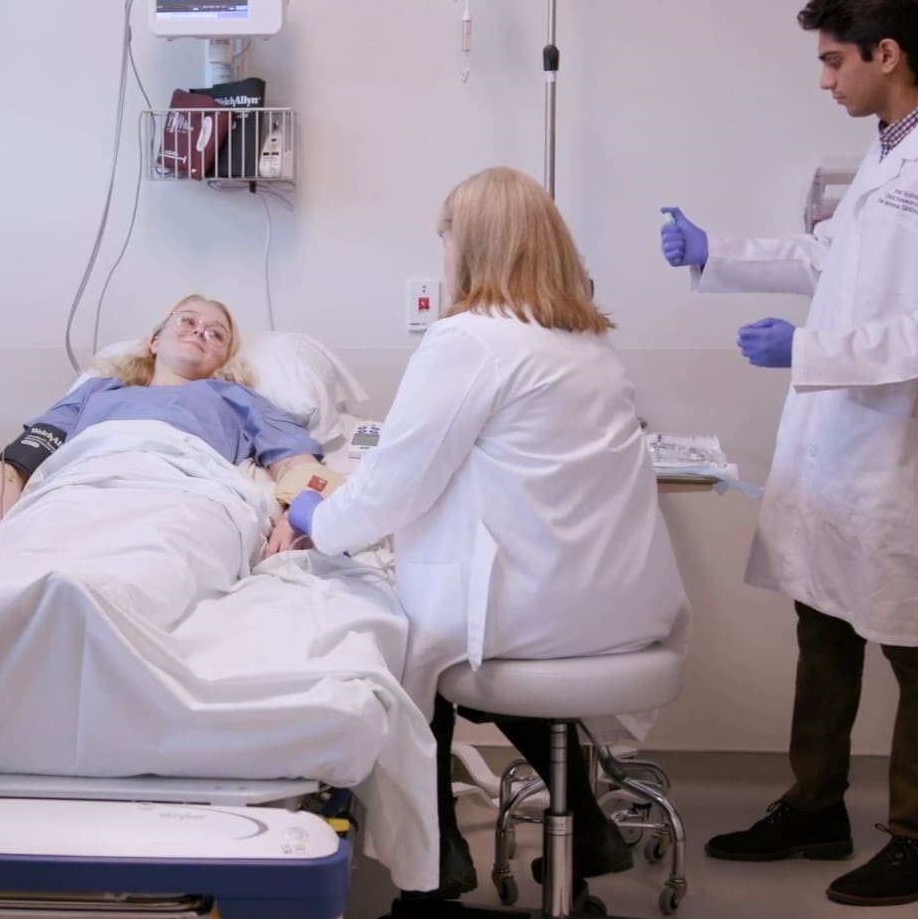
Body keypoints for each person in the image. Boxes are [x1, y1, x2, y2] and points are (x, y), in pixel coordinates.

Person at [658, 0, 918, 908]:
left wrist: (807, 349)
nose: (824, 80)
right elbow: (831, 259)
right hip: (845, 440)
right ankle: (814, 807)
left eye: (832, 61)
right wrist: (719, 253)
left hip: (906, 450)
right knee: (822, 620)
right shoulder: (892, 153)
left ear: (885, 54)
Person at [287, 167, 689, 903]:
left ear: (471, 247)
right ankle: (586, 824)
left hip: (532, 614)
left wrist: (317, 521)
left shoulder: (468, 341)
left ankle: (433, 877)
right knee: (446, 637)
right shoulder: (588, 343)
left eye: (446, 240)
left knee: (404, 642)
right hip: (621, 608)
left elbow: (397, 481)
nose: (443, 256)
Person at [0, 294, 323, 551]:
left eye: (216, 334)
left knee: (147, 566)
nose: (200, 331)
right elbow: (10, 468)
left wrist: (295, 516)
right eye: (186, 320)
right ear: (155, 340)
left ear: (223, 360)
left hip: (185, 496)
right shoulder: (96, 391)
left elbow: (298, 462)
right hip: (80, 490)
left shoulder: (236, 398)